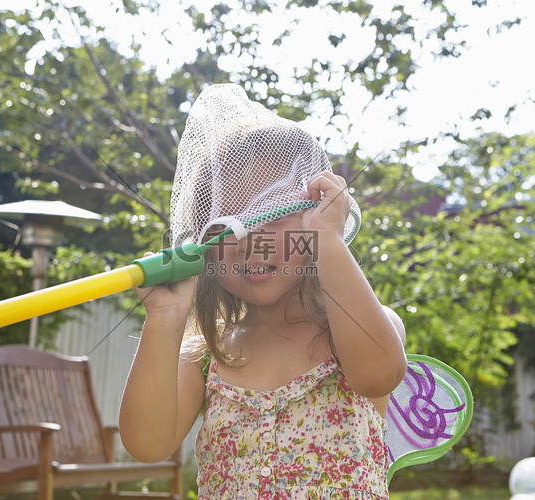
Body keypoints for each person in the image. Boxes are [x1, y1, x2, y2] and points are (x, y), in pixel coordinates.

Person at [119, 84, 407, 499]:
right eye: (229, 220)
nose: (251, 239)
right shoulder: (208, 350)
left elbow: (380, 375)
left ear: (315, 219)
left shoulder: (353, 330)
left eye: (272, 214)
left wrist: (328, 241)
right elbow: (146, 444)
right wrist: (164, 318)